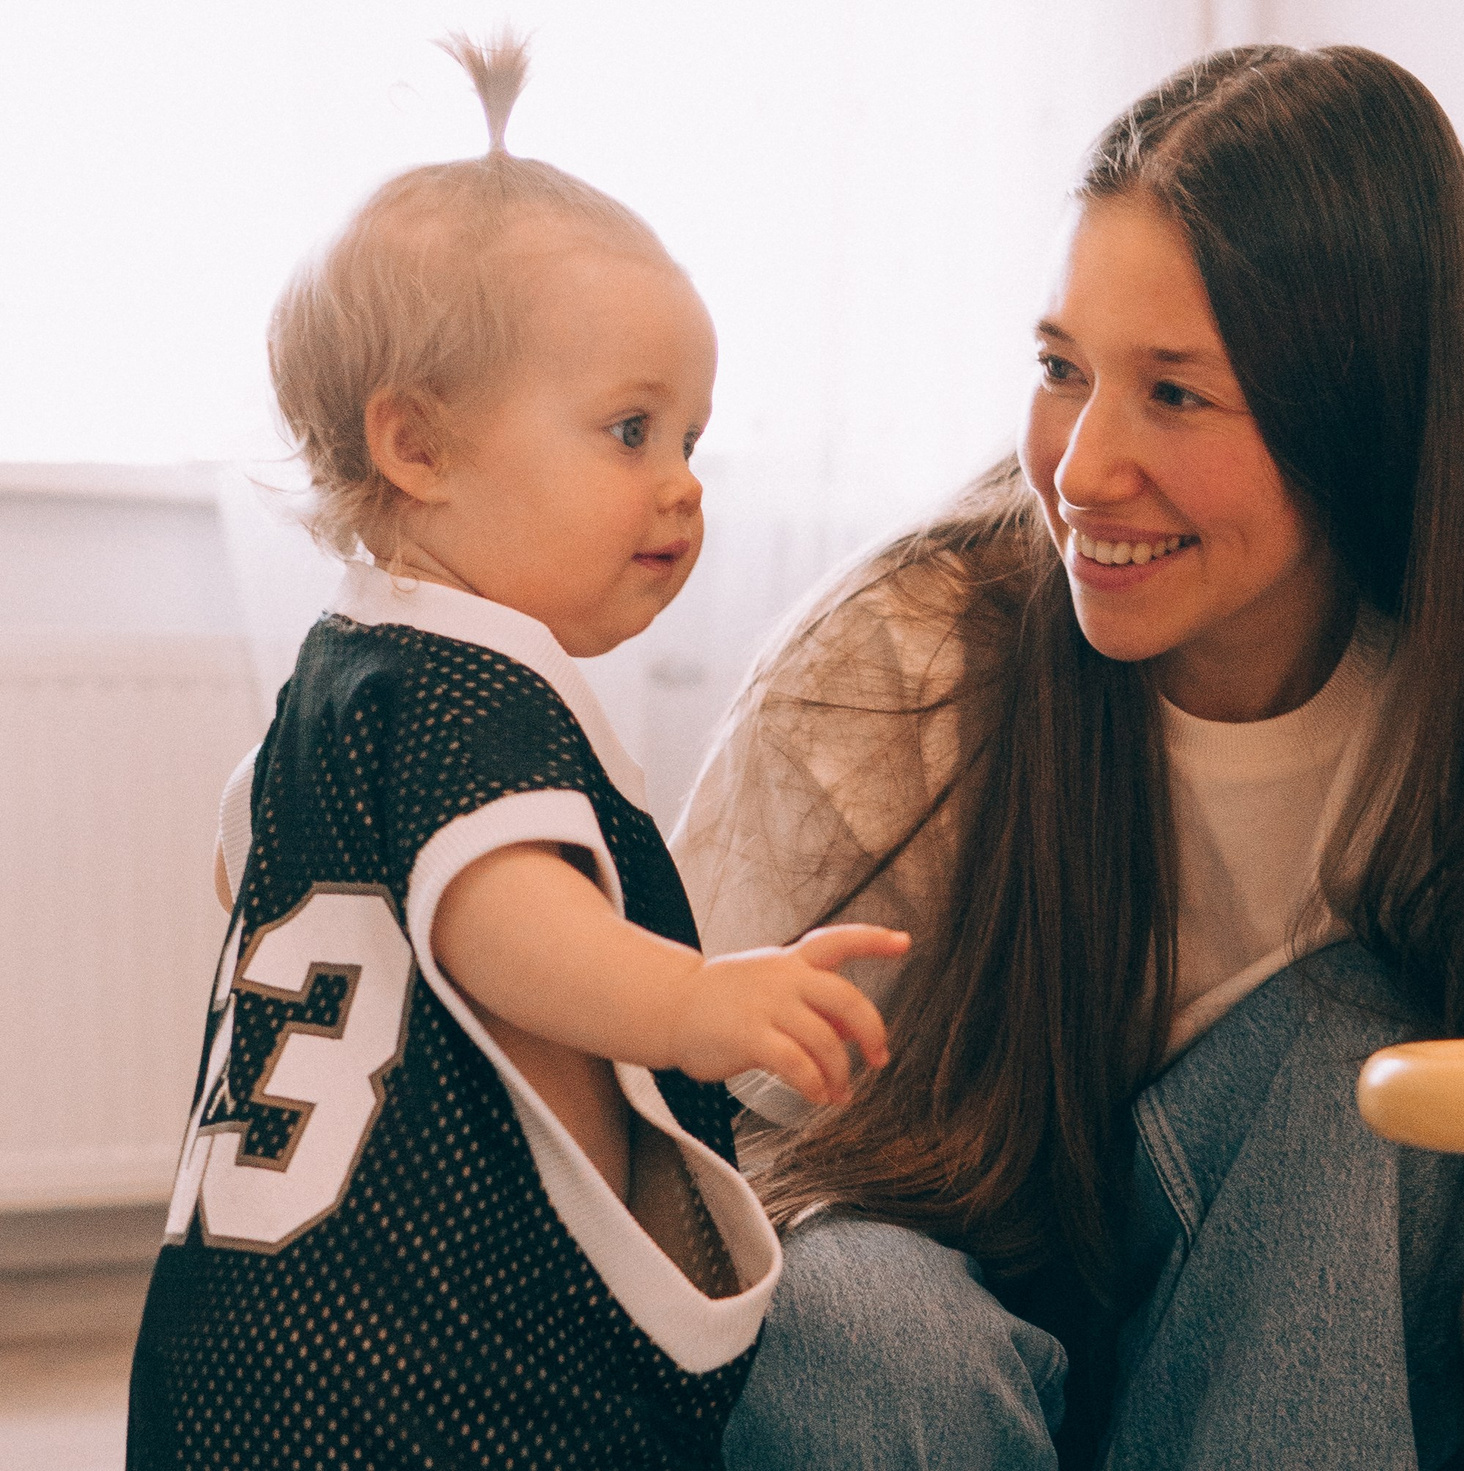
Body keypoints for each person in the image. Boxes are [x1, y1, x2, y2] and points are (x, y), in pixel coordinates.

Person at [676, 44, 1464, 1471]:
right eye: (1064, 370)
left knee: (1350, 1051)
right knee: (857, 1312)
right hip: (921, 1348)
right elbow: (674, 1171)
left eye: (1176, 395)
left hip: (1277, 1378)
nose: (1080, 469)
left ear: (1357, 415)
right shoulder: (906, 668)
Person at [127, 32, 905, 1469]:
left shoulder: (330, 685)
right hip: (422, 1372)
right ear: (417, 447)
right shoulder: (471, 700)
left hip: (239, 1336)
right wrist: (692, 1003)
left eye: (689, 435)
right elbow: (501, 924)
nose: (680, 483)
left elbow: (250, 866)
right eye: (627, 430)